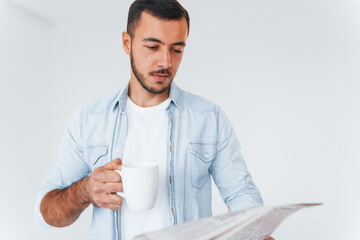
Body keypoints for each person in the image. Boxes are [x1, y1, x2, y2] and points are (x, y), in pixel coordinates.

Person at [35, 1, 271, 240]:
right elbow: (46, 212)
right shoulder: (89, 121)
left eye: (177, 49)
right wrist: (84, 190)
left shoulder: (209, 118)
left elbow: (242, 196)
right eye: (153, 47)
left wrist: (256, 231)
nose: (166, 62)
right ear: (127, 43)